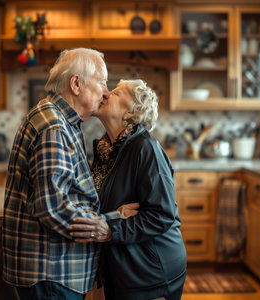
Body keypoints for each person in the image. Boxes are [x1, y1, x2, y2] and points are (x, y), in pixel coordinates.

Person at [2, 48, 137, 300]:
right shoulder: (54, 126)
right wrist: (108, 223)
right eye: (102, 81)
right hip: (52, 272)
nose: (106, 91)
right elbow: (53, 206)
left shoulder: (62, 121)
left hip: (55, 271)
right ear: (76, 84)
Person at [68, 79, 187, 300]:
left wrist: (112, 228)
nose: (104, 93)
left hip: (150, 273)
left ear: (130, 112)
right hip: (124, 269)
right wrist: (116, 214)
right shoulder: (107, 151)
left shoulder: (145, 149)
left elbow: (162, 215)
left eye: (115, 92)